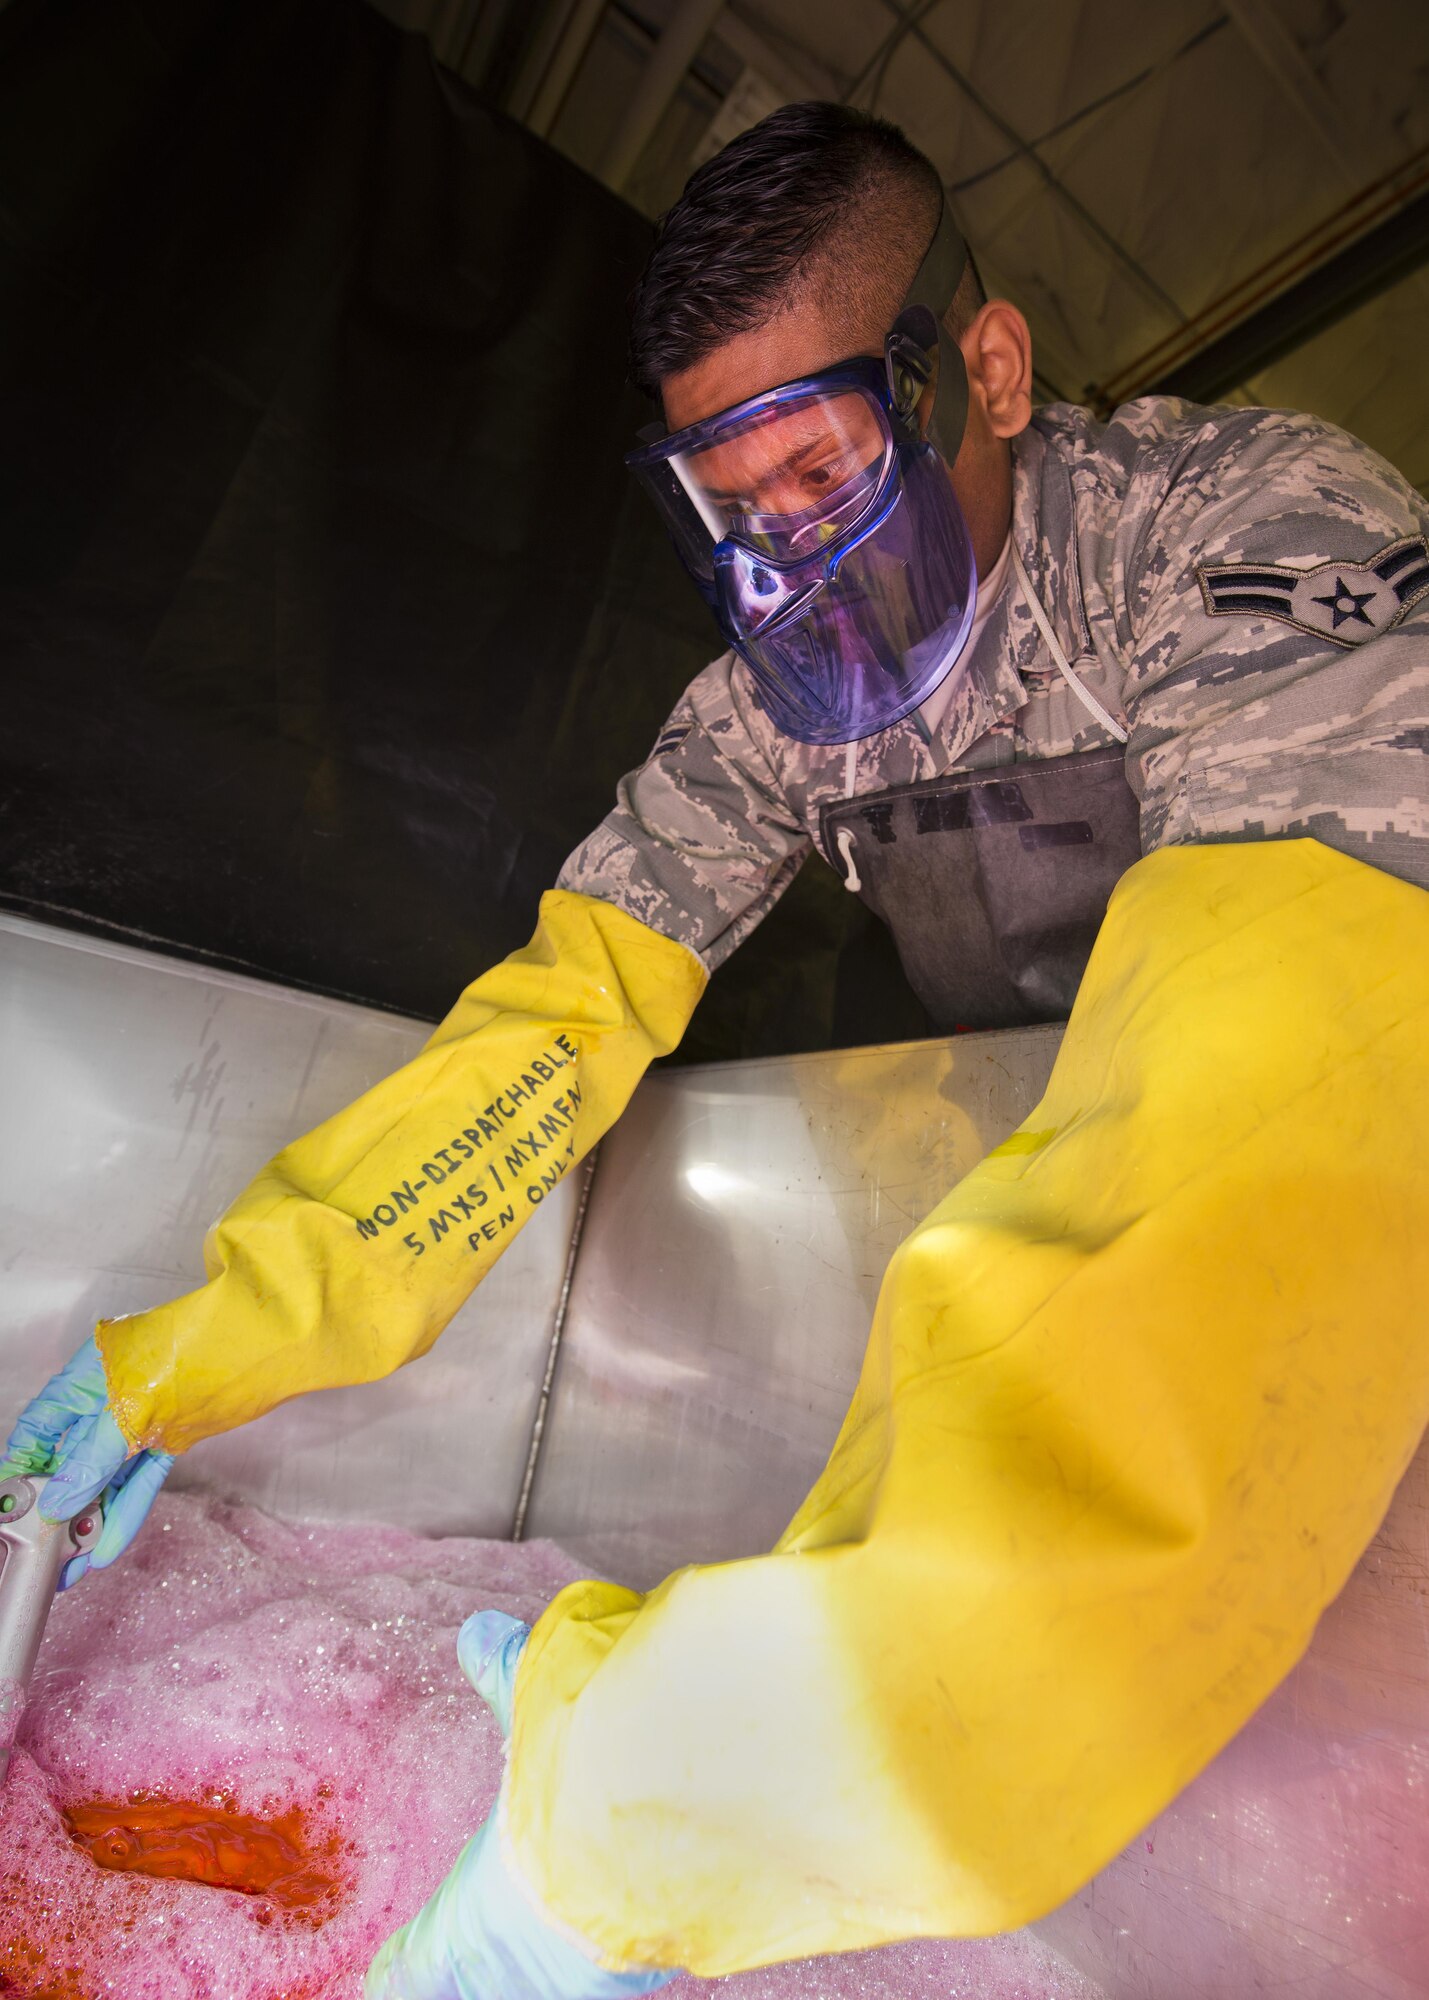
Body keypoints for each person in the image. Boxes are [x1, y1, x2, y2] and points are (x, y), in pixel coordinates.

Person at [6, 103, 1429, 2000]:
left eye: (826, 478)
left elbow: (1245, 1138)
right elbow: (552, 1039)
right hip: (1077, 1217)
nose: (790, 578)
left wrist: (677, 1799)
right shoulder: (770, 722)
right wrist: (188, 1357)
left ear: (980, 376)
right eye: (731, 516)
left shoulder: (1251, 542)